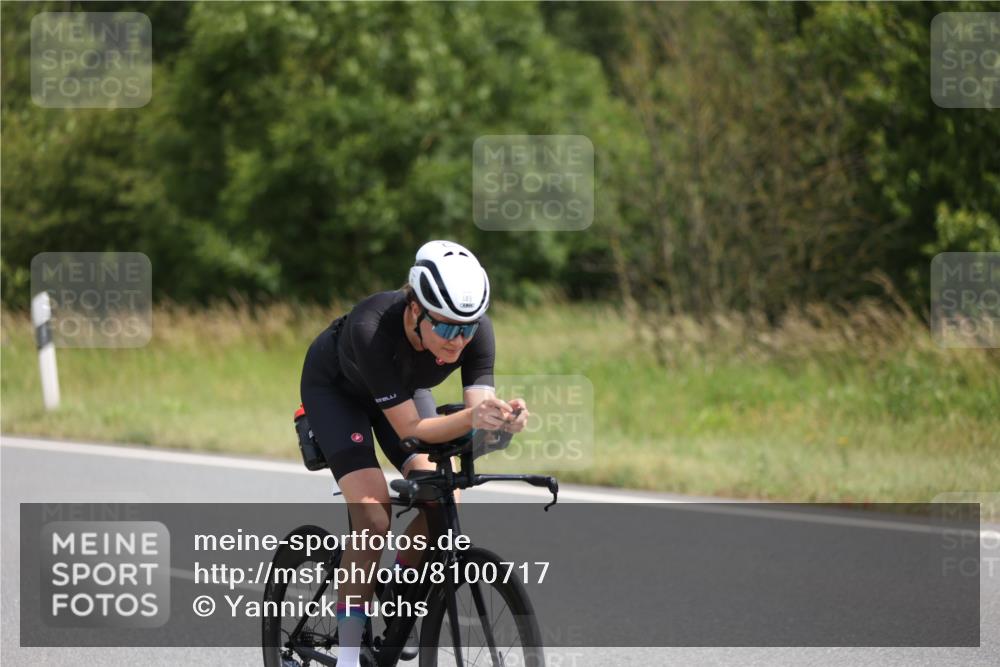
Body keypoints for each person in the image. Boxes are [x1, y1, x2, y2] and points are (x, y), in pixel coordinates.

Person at [299, 240, 529, 667]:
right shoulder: (372, 324)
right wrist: (474, 417)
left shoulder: (474, 331)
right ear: (414, 308)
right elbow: (412, 429)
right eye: (445, 327)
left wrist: (502, 423)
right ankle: (349, 656)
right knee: (372, 513)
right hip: (337, 391)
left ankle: (401, 602)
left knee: (443, 496)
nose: (457, 340)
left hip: (403, 394)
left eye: (467, 328)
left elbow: (473, 415)